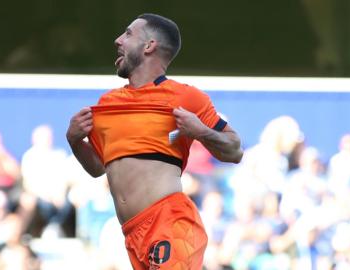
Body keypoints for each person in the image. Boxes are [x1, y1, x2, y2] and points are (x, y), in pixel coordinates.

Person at [66, 13, 243, 269]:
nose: (118, 40)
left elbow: (235, 150)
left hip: (170, 222)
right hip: (132, 233)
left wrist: (200, 130)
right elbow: (97, 167)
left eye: (127, 34)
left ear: (149, 46)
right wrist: (74, 141)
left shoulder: (186, 97)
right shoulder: (108, 103)